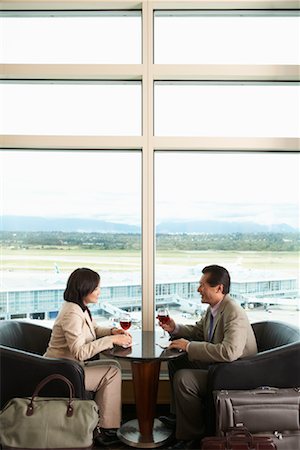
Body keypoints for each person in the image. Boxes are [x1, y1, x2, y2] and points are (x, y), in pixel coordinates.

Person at [157, 265, 258, 449]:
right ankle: (179, 419)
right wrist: (175, 328)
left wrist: (188, 346)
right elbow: (198, 332)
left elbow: (229, 352)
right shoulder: (215, 309)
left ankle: (191, 437)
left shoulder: (233, 312)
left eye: (202, 285)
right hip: (220, 367)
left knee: (184, 379)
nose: (198, 289)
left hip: (234, 373)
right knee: (177, 361)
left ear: (219, 288)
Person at [44, 267, 132, 447]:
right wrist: (112, 339)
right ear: (84, 288)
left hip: (70, 366)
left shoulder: (80, 308)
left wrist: (111, 331)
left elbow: (94, 330)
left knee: (113, 367)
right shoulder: (72, 313)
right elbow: (79, 352)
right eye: (96, 288)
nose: (99, 292)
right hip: (61, 371)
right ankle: (104, 429)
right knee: (112, 372)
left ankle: (104, 425)